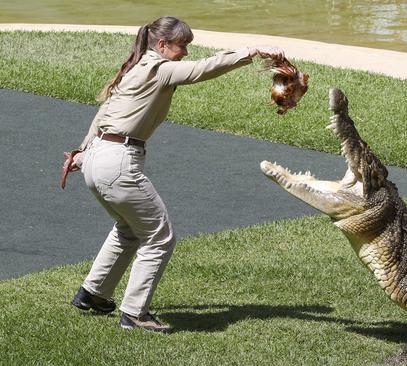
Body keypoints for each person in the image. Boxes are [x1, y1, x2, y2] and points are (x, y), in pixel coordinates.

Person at [68, 16, 284, 334]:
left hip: (98, 157)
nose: (185, 53)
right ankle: (134, 313)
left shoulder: (136, 65)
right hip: (118, 162)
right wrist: (250, 50)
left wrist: (83, 151)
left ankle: (93, 293)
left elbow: (105, 112)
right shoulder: (159, 68)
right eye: (182, 46)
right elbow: (202, 69)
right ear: (163, 45)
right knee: (159, 236)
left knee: (129, 229)